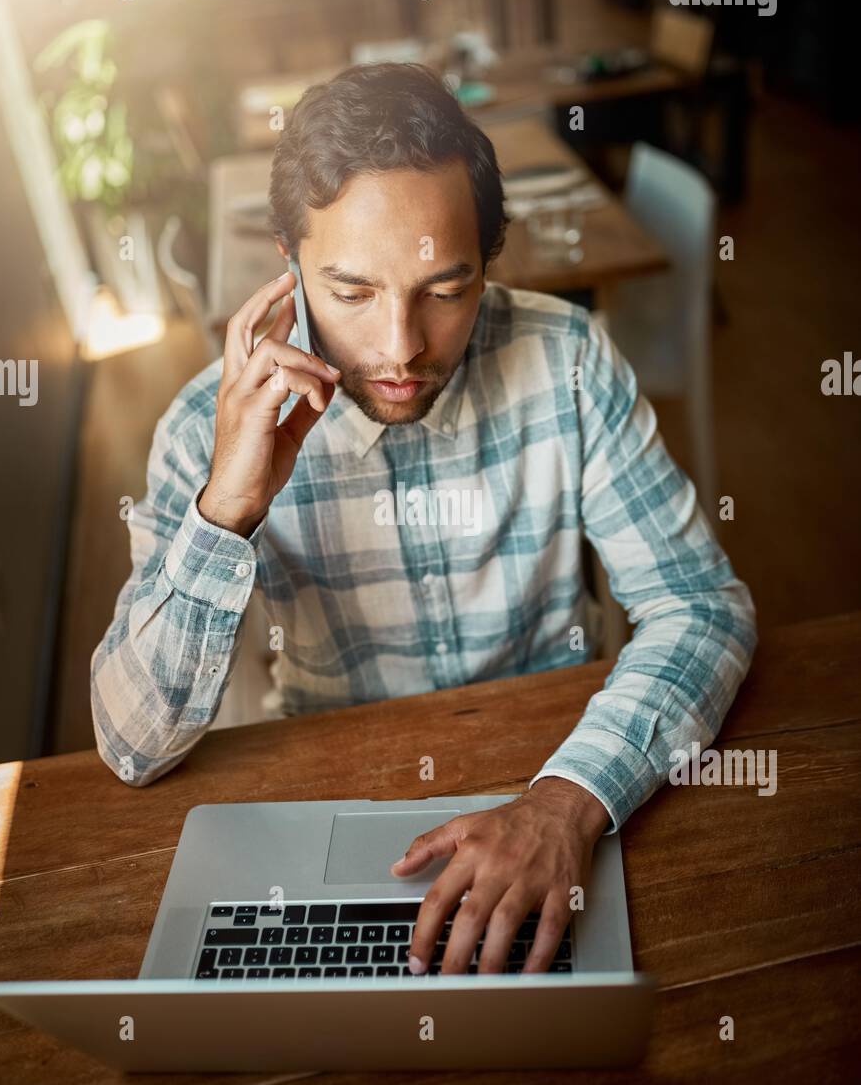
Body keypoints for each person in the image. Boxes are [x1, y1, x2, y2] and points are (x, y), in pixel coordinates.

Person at [91, 62, 756, 975]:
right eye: (352, 293)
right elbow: (130, 747)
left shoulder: (566, 362)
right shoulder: (203, 431)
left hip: (563, 771)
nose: (399, 348)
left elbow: (703, 606)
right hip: (334, 806)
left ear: (488, 257)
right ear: (287, 265)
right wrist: (227, 513)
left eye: (446, 290)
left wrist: (565, 802)